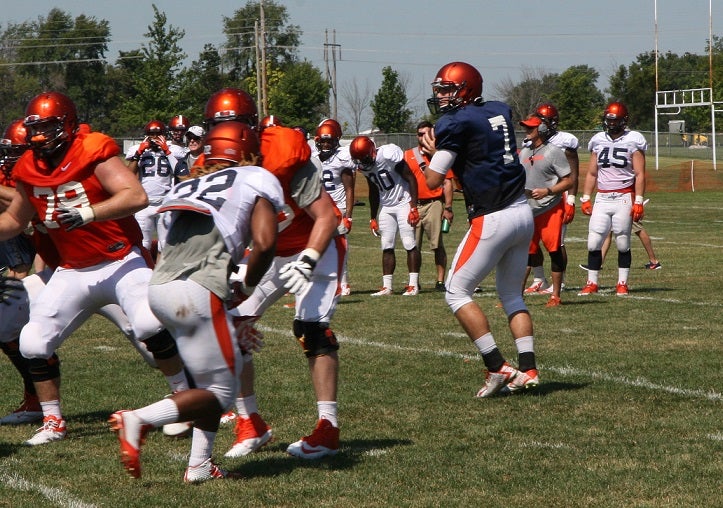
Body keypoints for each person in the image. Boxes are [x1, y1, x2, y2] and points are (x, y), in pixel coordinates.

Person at [0, 91, 190, 446]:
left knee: (149, 324)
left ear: (69, 124)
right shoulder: (28, 167)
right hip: (73, 270)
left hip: (119, 260)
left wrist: (90, 212)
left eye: (49, 127)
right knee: (33, 341)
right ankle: (54, 421)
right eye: (36, 129)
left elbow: (136, 196)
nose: (41, 137)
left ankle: (184, 399)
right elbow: (15, 218)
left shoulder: (92, 150)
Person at [109, 121, 284, 483]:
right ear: (248, 151)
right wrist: (249, 285)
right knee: (220, 394)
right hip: (196, 289)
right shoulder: (255, 175)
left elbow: (162, 246)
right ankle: (138, 419)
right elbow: (266, 242)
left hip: (160, 288)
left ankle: (200, 465)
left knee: (213, 379)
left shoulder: (186, 184)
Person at [198, 88, 344, 460]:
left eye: (231, 127)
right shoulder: (211, 163)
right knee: (230, 326)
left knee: (312, 328)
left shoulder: (283, 151)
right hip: (267, 255)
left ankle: (328, 427)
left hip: (313, 245)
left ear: (251, 126)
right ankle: (251, 422)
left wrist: (309, 259)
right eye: (219, 128)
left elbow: (326, 216)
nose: (226, 138)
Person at [420, 61, 539, 396]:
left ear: (466, 88)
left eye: (448, 89)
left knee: (456, 292)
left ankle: (497, 365)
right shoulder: (496, 110)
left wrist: (429, 155)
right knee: (512, 294)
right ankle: (528, 369)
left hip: (493, 216)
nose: (441, 95)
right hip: (521, 212)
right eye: (439, 89)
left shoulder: (454, 123)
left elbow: (432, 180)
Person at [578, 101, 647, 296]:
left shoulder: (633, 140)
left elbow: (640, 174)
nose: (610, 124)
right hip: (602, 197)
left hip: (623, 196)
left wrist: (639, 201)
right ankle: (592, 282)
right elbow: (592, 173)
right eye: (608, 120)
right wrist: (585, 198)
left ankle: (622, 283)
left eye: (614, 120)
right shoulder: (598, 140)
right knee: (593, 241)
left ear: (623, 121)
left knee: (623, 241)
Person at [350, 135, 421, 296]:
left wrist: (414, 206)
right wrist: (372, 217)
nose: (362, 162)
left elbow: (411, 178)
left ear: (372, 151)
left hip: (403, 202)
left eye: (364, 158)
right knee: (387, 245)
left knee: (409, 243)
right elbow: (373, 190)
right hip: (386, 207)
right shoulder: (365, 166)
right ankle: (387, 286)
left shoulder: (388, 155)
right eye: (359, 159)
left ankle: (413, 285)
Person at [523, 103, 579, 294]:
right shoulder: (527, 147)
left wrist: (571, 200)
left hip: (555, 197)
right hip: (531, 202)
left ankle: (558, 285)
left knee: (556, 243)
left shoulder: (563, 142)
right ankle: (539, 278)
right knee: (530, 245)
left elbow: (572, 175)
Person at [404, 120, 454, 292]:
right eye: (419, 134)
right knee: (413, 245)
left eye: (426, 133)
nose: (422, 137)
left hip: (434, 203)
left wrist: (448, 208)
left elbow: (448, 182)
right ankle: (414, 281)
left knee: (437, 244)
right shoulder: (408, 155)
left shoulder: (438, 155)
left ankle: (440, 281)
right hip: (414, 205)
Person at [126, 120, 188, 257]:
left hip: (164, 203)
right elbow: (129, 175)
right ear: (146, 135)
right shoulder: (138, 150)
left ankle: (161, 275)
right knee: (143, 244)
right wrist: (138, 153)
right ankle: (145, 274)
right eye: (151, 134)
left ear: (164, 134)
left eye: (158, 134)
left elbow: (180, 172)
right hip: (145, 204)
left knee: (165, 244)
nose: (154, 137)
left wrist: (167, 151)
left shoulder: (175, 151)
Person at [313, 119, 356, 296]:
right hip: (320, 209)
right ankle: (321, 282)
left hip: (338, 208)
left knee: (339, 246)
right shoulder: (314, 161)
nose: (325, 144)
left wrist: (349, 215)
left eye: (329, 140)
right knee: (318, 245)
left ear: (335, 141)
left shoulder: (342, 159)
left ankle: (343, 283)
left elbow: (349, 189)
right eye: (323, 141)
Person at [581, 215, 662, 270]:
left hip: (626, 205)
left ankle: (654, 261)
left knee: (638, 230)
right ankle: (599, 263)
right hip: (617, 205)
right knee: (608, 231)